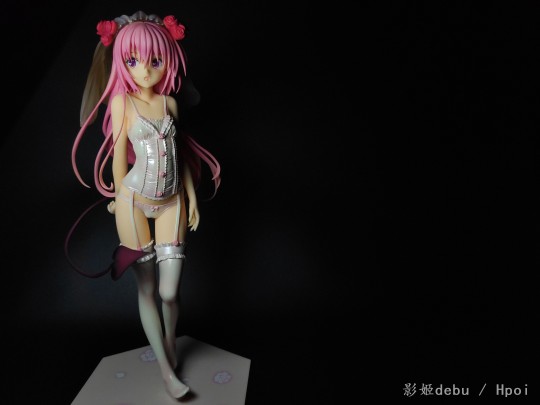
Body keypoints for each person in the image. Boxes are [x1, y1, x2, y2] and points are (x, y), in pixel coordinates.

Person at [69, 10, 220, 399]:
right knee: (148, 288)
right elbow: (119, 157)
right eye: (134, 60)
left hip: (172, 201)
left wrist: (190, 196)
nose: (146, 70)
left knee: (170, 292)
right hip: (134, 201)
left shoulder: (170, 104)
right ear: (122, 61)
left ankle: (169, 344)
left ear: (168, 59)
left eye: (155, 60)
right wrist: (117, 198)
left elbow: (180, 154)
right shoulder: (122, 103)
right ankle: (167, 372)